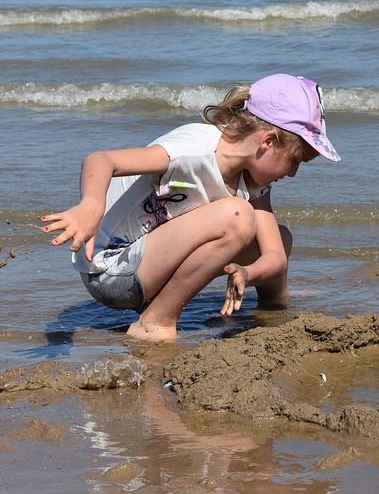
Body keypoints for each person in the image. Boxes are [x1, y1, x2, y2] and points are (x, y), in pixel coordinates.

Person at [42, 73, 340, 341]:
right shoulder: (192, 150)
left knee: (278, 234)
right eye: (295, 160)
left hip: (152, 266)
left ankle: (275, 306)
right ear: (267, 141)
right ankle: (155, 322)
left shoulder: (253, 181)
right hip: (112, 271)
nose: (292, 173)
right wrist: (91, 205)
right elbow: (101, 160)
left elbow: (275, 255)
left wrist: (248, 274)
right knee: (238, 216)